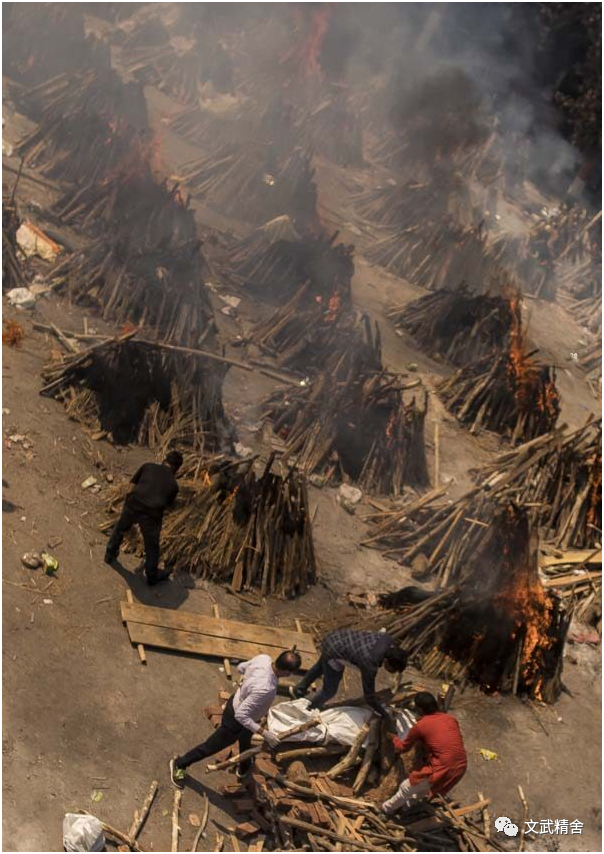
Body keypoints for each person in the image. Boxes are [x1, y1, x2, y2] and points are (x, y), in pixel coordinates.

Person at [170, 649, 302, 789]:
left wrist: (247, 684)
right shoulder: (266, 688)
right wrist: (264, 733)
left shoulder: (263, 659)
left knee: (245, 738)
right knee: (210, 747)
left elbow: (240, 668)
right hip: (236, 720)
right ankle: (180, 763)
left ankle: (244, 764)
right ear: (287, 672)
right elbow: (241, 715)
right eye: (291, 673)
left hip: (238, 705)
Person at [290, 628, 408, 719]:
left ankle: (299, 690)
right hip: (334, 651)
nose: (388, 671)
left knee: (320, 667)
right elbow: (369, 698)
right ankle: (309, 708)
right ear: (387, 660)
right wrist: (384, 713)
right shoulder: (370, 663)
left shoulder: (387, 639)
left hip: (336, 637)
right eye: (390, 669)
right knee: (330, 689)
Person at [104, 450, 183, 585]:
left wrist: (129, 503)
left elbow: (132, 486)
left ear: (165, 460)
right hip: (151, 514)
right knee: (152, 545)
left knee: (120, 528)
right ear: (177, 468)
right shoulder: (174, 485)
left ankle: (109, 555)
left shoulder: (148, 466)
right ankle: (152, 576)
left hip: (133, 503)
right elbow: (168, 506)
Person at [382, 691, 467, 815]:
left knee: (406, 787)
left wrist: (393, 737)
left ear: (420, 709)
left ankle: (385, 809)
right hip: (461, 766)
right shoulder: (450, 719)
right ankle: (406, 807)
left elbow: (402, 748)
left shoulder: (421, 726)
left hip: (442, 767)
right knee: (424, 788)